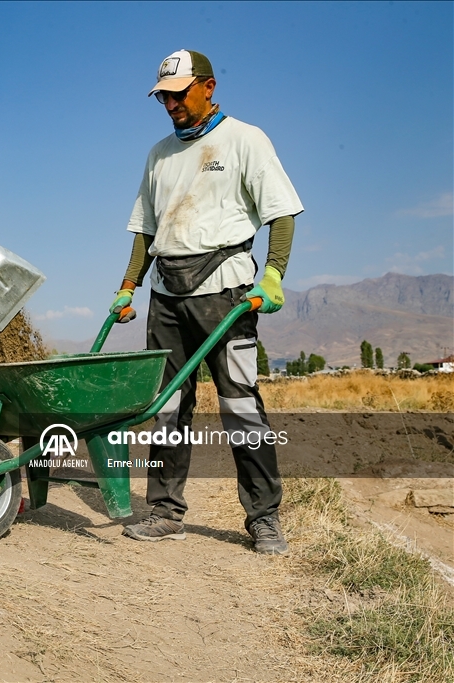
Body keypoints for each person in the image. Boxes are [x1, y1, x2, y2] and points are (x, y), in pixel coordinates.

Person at [112, 50, 302, 554]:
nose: (170, 103)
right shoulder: (158, 154)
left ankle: (263, 517)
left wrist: (274, 275)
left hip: (227, 291)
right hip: (166, 296)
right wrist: (129, 285)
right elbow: (146, 230)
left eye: (179, 93)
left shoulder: (245, 139)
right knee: (167, 407)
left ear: (208, 86)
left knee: (239, 404)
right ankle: (165, 510)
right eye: (164, 96)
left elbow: (281, 213)